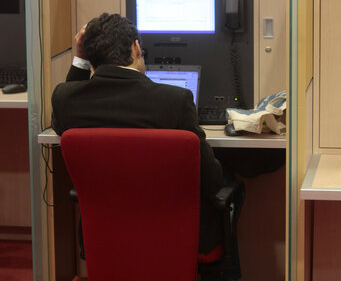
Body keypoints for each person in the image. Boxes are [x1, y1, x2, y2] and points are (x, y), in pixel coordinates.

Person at [51, 13, 226, 257]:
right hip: (171, 232)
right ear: (136, 48)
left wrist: (80, 58)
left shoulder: (66, 100)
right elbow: (212, 182)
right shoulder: (175, 101)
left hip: (105, 233)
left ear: (88, 55)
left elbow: (62, 117)